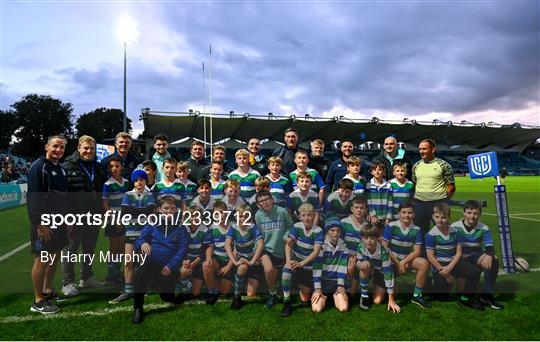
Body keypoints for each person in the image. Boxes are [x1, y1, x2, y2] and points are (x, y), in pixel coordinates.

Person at [131, 195, 189, 324]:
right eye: (166, 208)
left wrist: (170, 266)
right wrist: (143, 244)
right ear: (159, 209)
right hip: (152, 263)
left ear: (176, 210)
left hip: (168, 267)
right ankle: (138, 308)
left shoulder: (181, 228)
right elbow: (139, 240)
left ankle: (165, 287)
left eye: (172, 208)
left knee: (167, 297)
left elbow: (183, 249)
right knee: (139, 273)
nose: (169, 211)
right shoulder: (152, 224)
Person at [28, 136, 69, 314]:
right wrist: (39, 224)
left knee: (53, 257)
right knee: (42, 259)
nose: (58, 150)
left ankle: (47, 290)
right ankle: (38, 300)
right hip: (44, 223)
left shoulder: (61, 169)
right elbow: (33, 197)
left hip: (58, 222)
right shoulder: (39, 167)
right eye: (55, 146)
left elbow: (64, 198)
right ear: (47, 146)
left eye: (61, 147)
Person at [61, 135, 104, 296]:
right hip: (75, 215)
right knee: (71, 249)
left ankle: (87, 277)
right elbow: (62, 194)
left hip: (93, 214)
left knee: (89, 249)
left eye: (91, 148)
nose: (89, 151)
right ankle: (67, 282)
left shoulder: (97, 166)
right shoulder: (67, 166)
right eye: (85, 148)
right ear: (79, 148)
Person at [425, 203, 483, 310]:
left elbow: (458, 253)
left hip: (453, 263)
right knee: (443, 297)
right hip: (440, 266)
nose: (440, 220)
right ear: (433, 217)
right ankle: (428, 283)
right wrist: (445, 272)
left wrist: (450, 268)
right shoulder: (430, 235)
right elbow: (430, 257)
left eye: (443, 217)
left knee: (474, 271)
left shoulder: (456, 232)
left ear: (448, 218)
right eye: (437, 217)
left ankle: (466, 299)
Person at [110, 169, 155, 304]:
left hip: (145, 234)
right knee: (128, 262)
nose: (139, 182)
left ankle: (143, 287)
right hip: (130, 233)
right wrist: (141, 212)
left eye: (141, 179)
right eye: (136, 180)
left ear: (145, 180)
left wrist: (134, 211)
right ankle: (128, 290)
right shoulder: (128, 195)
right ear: (133, 182)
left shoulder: (150, 195)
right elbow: (125, 212)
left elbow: (149, 211)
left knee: (144, 263)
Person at [451, 200, 504, 309]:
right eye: (469, 213)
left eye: (475, 213)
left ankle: (487, 296)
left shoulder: (484, 228)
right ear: (464, 213)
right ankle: (466, 298)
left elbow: (489, 246)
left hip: (474, 255)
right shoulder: (454, 227)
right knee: (463, 287)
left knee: (493, 261)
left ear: (480, 214)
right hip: (458, 258)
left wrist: (489, 256)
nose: (472, 216)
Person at [382, 202, 431, 308]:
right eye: (403, 212)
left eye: (410, 212)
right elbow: (384, 248)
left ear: (414, 214)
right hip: (390, 261)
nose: (406, 215)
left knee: (424, 263)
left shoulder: (416, 229)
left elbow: (417, 251)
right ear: (398, 214)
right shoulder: (391, 226)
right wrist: (398, 263)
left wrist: (403, 262)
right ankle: (388, 284)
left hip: (404, 261)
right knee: (394, 293)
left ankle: (417, 295)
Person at [281, 203, 323, 317]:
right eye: (303, 215)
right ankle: (287, 302)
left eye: (309, 215)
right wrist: (288, 261)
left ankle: (300, 286)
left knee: (305, 298)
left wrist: (301, 264)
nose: (306, 218)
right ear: (299, 216)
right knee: (285, 273)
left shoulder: (318, 230)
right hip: (296, 262)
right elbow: (288, 244)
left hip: (309, 265)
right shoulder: (297, 226)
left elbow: (316, 252)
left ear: (314, 215)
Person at [254, 190, 294, 309]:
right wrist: (257, 252)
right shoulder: (258, 215)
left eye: (267, 199)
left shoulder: (282, 211)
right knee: (268, 270)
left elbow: (290, 226)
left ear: (272, 199)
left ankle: (277, 292)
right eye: (261, 201)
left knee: (274, 276)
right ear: (258, 204)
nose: (265, 202)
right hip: (265, 248)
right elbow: (259, 235)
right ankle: (272, 294)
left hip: (279, 249)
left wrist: (286, 235)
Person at [412, 139, 456, 235]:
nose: (421, 151)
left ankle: (444, 250)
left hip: (437, 203)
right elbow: (415, 185)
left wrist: (443, 201)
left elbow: (451, 187)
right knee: (420, 232)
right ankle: (423, 250)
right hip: (419, 204)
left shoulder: (444, 165)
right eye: (419, 149)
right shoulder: (416, 166)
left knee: (443, 231)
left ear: (432, 149)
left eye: (424, 149)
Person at [225, 204, 265, 309]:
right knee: (242, 267)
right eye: (239, 216)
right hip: (241, 261)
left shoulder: (253, 227)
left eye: (244, 216)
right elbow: (227, 244)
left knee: (250, 295)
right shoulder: (233, 227)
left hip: (253, 262)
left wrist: (252, 261)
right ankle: (236, 296)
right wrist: (234, 261)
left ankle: (244, 283)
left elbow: (261, 244)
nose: (242, 218)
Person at [357, 222, 400, 313]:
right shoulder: (360, 246)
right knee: (364, 265)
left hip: (383, 273)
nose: (369, 241)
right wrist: (359, 264)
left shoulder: (383, 252)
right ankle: (364, 296)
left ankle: (384, 287)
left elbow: (388, 273)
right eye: (366, 238)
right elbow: (358, 261)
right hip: (372, 269)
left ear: (378, 238)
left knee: (377, 301)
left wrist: (391, 299)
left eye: (372, 238)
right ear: (362, 238)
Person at [102, 156, 131, 288]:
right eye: (112, 166)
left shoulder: (126, 182)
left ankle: (117, 272)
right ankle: (111, 274)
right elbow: (105, 203)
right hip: (113, 219)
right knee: (114, 247)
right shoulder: (108, 184)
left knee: (121, 247)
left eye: (117, 166)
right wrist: (113, 220)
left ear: (121, 167)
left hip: (124, 218)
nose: (114, 168)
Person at [311, 219, 349, 313]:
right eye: (332, 230)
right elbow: (317, 268)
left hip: (336, 282)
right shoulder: (321, 246)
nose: (335, 233)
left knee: (343, 308)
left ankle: (335, 296)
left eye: (338, 230)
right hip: (323, 281)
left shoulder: (343, 245)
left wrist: (340, 284)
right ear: (327, 231)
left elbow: (342, 266)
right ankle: (323, 296)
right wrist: (318, 288)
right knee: (317, 309)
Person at [203, 201, 235, 305]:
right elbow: (210, 246)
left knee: (224, 292)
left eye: (222, 212)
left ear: (227, 212)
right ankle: (212, 293)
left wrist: (229, 266)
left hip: (231, 261)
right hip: (218, 259)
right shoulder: (212, 228)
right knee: (206, 265)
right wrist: (208, 258)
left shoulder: (234, 227)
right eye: (216, 213)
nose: (220, 215)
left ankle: (226, 282)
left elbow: (237, 250)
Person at [176, 204, 208, 302]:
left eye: (197, 215)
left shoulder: (205, 229)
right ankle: (184, 291)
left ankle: (190, 283)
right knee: (183, 270)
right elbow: (180, 247)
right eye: (192, 216)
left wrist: (193, 264)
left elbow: (203, 253)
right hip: (186, 259)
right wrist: (184, 261)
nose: (194, 218)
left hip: (198, 261)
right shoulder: (183, 228)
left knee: (196, 293)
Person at [341, 197, 369, 297]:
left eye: (362, 208)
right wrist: (347, 255)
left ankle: (356, 282)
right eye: (356, 207)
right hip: (344, 255)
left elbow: (366, 245)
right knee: (350, 267)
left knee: (361, 266)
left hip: (359, 256)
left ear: (366, 210)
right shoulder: (344, 222)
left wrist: (357, 255)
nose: (359, 210)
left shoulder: (366, 226)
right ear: (351, 209)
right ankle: (346, 285)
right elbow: (339, 242)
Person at [366, 161, 393, 225]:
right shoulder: (368, 185)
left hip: (385, 217)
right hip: (373, 217)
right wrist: (372, 215)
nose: (377, 172)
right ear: (372, 172)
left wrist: (388, 217)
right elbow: (368, 202)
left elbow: (390, 202)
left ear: (383, 172)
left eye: (380, 170)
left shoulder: (388, 185)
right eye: (375, 170)